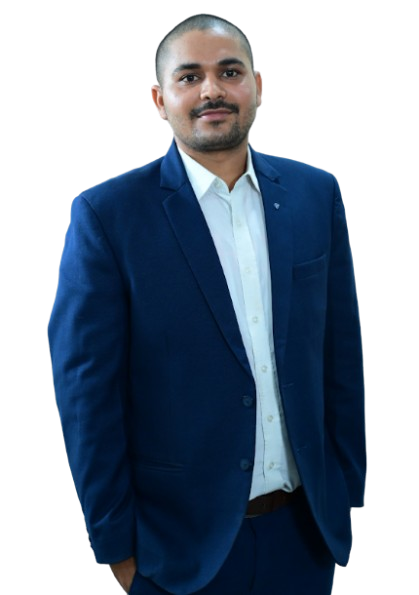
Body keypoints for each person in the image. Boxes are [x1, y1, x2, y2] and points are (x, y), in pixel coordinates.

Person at [47, 13, 366, 595]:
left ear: (257, 86)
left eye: (229, 72)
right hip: (175, 551)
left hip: (304, 537)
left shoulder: (316, 193)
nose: (211, 90)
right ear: (159, 100)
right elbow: (85, 394)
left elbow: (340, 354)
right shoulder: (108, 215)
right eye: (189, 77)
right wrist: (116, 548)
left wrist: (347, 492)